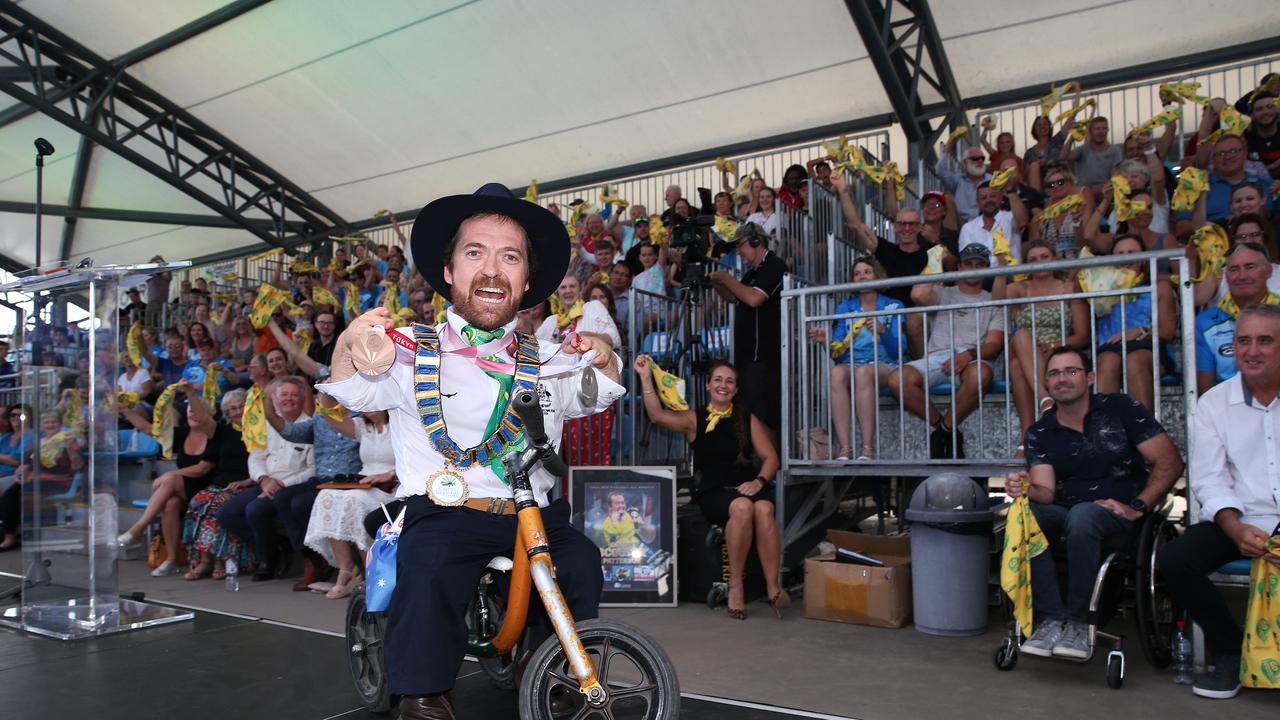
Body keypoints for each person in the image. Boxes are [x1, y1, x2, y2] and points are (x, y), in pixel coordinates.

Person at [317, 183, 623, 719]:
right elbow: (352, 386)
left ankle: (548, 666)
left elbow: (602, 388)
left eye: (510, 256)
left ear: (525, 281)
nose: (491, 269)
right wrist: (352, 339)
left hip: (538, 515)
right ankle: (425, 693)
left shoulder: (554, 357)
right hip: (447, 512)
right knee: (429, 566)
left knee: (581, 564)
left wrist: (604, 353)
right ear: (451, 271)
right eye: (475, 252)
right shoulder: (408, 352)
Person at [1005, 346, 1183, 659]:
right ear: (1046, 384)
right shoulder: (1040, 431)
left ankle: (1076, 622)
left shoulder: (1120, 408)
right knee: (1027, 515)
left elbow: (1169, 462)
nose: (1062, 379)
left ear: (1089, 378)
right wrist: (1025, 488)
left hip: (1121, 515)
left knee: (1084, 515)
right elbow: (1045, 491)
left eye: (1071, 371)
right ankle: (1049, 619)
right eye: (1054, 373)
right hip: (1070, 516)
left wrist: (1138, 507)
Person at [1160, 304, 1280, 700]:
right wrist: (1235, 527)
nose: (1252, 350)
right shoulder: (1213, 403)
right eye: (1243, 340)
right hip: (1243, 516)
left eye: (1266, 340)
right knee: (1176, 561)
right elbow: (1210, 479)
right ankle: (1232, 650)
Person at [633, 357, 787, 620]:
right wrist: (646, 377)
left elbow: (772, 458)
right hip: (714, 491)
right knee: (742, 508)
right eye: (718, 379)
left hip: (748, 486)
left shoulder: (747, 419)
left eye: (729, 381)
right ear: (708, 385)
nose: (723, 385)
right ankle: (735, 585)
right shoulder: (696, 419)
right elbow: (657, 416)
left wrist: (759, 481)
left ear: (736, 390)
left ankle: (773, 587)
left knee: (763, 507)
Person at [890, 244, 1007, 459]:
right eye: (968, 263)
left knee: (981, 375)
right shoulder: (943, 292)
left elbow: (994, 345)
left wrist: (968, 355)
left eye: (979, 264)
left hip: (972, 359)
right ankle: (945, 429)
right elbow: (917, 294)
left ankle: (943, 430)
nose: (974, 268)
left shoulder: (993, 300)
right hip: (938, 357)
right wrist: (937, 259)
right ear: (960, 267)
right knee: (898, 379)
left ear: (987, 267)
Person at [214, 376, 316, 581]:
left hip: (293, 485)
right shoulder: (269, 423)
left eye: (294, 395)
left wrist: (281, 485)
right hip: (266, 482)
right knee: (226, 513)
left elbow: (314, 468)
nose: (289, 399)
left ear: (303, 398)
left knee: (255, 510)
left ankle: (267, 560)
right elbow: (256, 456)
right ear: (276, 399)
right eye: (284, 394)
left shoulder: (310, 425)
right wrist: (263, 480)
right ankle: (277, 545)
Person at [806, 257, 904, 460]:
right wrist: (827, 340)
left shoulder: (894, 305)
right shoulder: (845, 307)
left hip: (886, 364)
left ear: (877, 275)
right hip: (852, 363)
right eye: (857, 273)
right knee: (836, 372)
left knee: (864, 372)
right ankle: (845, 448)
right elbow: (837, 353)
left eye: (867, 271)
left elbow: (899, 351)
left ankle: (868, 448)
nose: (862, 277)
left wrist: (883, 330)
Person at [116, 384, 217, 576]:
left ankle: (137, 529)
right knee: (170, 504)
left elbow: (203, 468)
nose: (192, 414)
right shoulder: (182, 433)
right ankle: (171, 559)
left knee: (169, 480)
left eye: (196, 410)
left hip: (206, 487)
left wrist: (169, 475)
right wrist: (125, 411)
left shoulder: (214, 434)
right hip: (182, 487)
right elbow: (148, 429)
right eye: (189, 411)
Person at [303, 404, 397, 599]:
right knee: (326, 496)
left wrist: (387, 474)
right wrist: (326, 389)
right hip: (365, 481)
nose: (370, 407)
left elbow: (413, 461)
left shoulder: (400, 425)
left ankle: (370, 571)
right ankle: (347, 570)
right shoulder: (363, 427)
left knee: (354, 500)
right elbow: (328, 412)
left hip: (395, 484)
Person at [1002, 240, 1091, 438]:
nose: (1040, 262)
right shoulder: (1020, 288)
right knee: (1021, 334)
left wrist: (1053, 346)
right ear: (1026, 265)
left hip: (1059, 351)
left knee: (1017, 367)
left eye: (1045, 257)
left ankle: (1028, 437)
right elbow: (997, 299)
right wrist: (1001, 270)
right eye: (1033, 259)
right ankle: (1045, 399)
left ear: (1054, 259)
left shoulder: (1068, 288)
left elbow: (1083, 335)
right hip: (1024, 348)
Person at [709, 222, 787, 433]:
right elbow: (733, 298)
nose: (738, 252)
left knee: (761, 415)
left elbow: (753, 298)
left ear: (755, 241)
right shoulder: (751, 274)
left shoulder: (774, 265)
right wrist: (718, 283)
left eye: (740, 245)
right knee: (749, 413)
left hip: (763, 356)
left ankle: (768, 462)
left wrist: (727, 278)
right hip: (747, 357)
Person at [1092, 234, 1177, 412]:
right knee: (1108, 362)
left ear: (1143, 259)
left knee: (1135, 360)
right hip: (1109, 349)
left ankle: (1144, 435)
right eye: (1120, 253)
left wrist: (1139, 331)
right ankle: (1106, 435)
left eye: (1132, 252)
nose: (1126, 258)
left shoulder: (1158, 286)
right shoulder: (1099, 289)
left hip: (1147, 347)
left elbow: (1168, 331)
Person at [182, 389, 252, 580]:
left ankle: (219, 560)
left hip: (246, 483)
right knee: (199, 501)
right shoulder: (223, 431)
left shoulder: (258, 429)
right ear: (227, 414)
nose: (238, 412)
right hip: (221, 483)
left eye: (241, 407)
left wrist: (246, 481)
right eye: (233, 409)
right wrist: (191, 395)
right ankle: (205, 560)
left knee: (216, 504)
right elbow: (203, 418)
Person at [1195, 242, 1278, 394]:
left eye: (1250, 267)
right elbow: (1206, 392)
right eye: (1234, 269)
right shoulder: (1205, 323)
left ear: (1269, 271)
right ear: (1226, 276)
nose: (1242, 276)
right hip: (1229, 409)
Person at [0, 411, 83, 551]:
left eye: (53, 422)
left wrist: (69, 448)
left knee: (24, 496)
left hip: (57, 480)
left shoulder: (67, 439)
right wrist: (20, 473)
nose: (50, 425)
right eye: (47, 422)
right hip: (34, 478)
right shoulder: (40, 442)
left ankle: (14, 534)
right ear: (42, 426)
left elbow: (77, 465)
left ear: (59, 424)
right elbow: (26, 463)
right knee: (9, 496)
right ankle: (11, 533)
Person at [936, 136, 990, 222]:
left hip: (988, 221)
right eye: (975, 158)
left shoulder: (992, 180)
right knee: (946, 200)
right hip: (962, 224)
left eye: (982, 158)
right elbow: (940, 171)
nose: (980, 161)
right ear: (965, 162)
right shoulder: (958, 180)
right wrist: (947, 147)